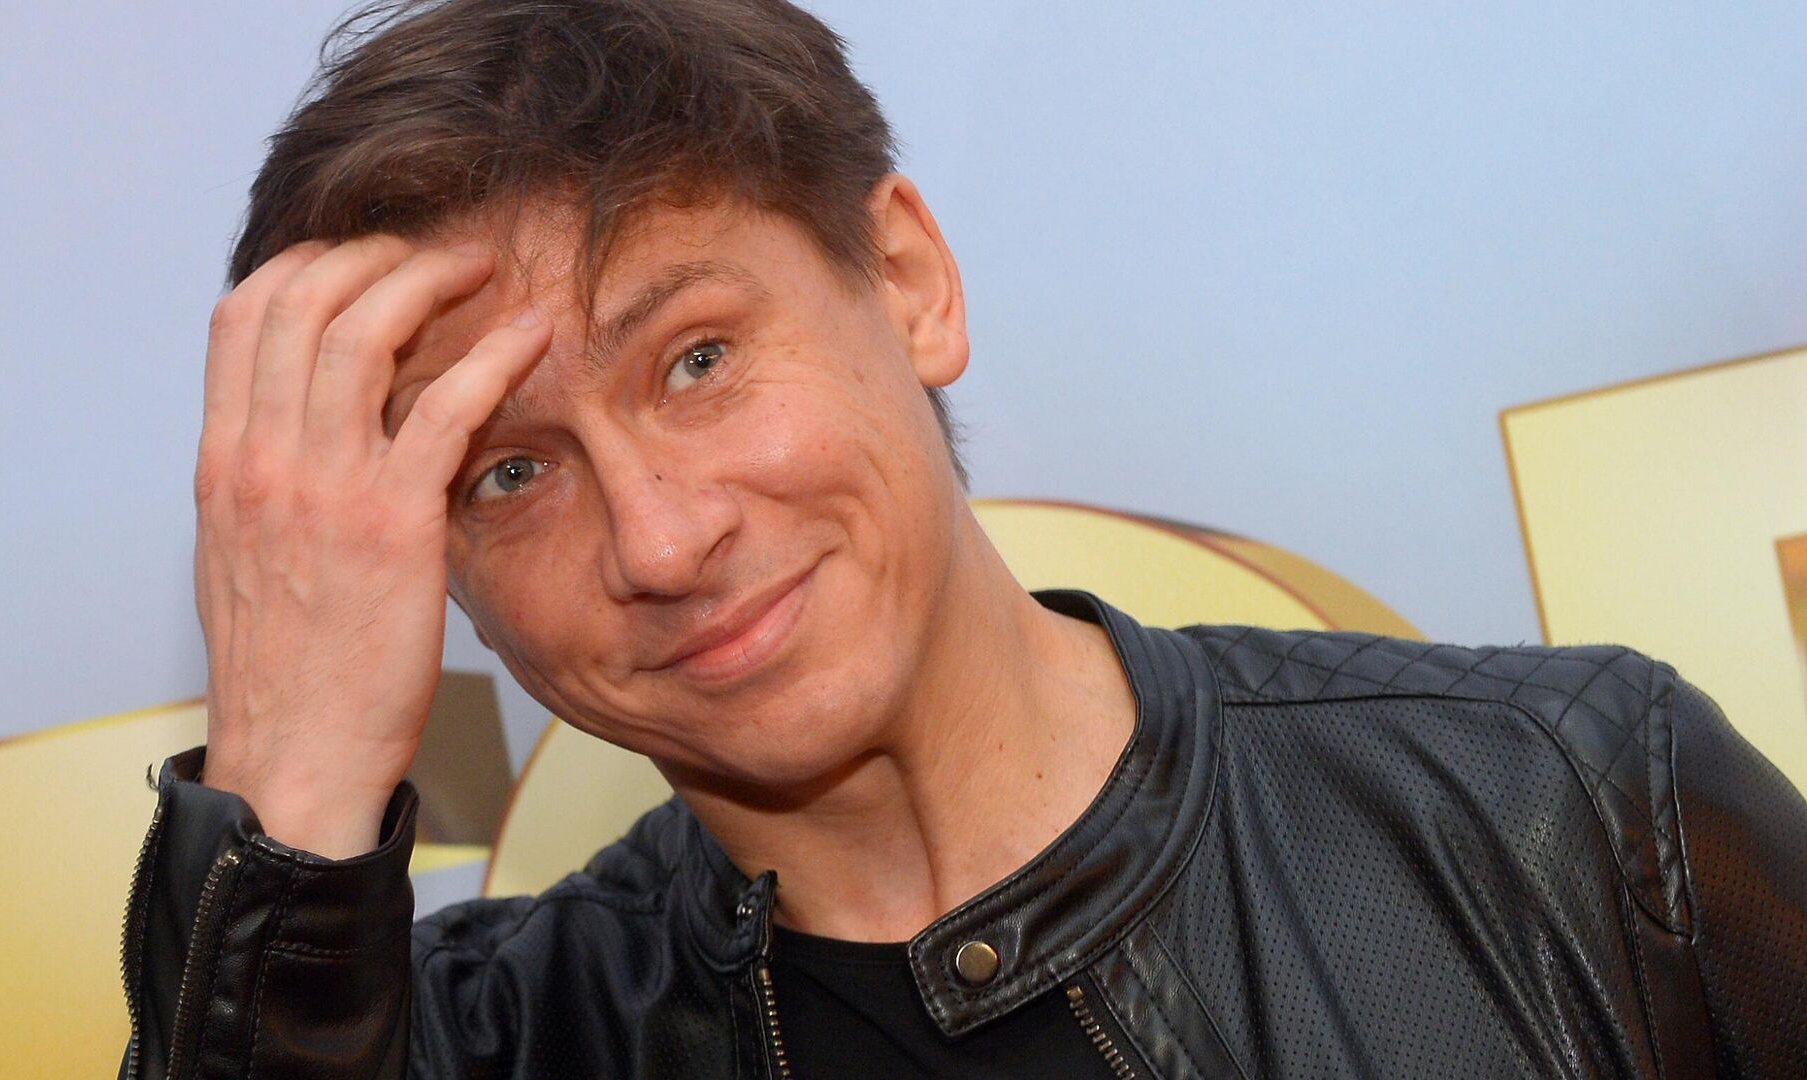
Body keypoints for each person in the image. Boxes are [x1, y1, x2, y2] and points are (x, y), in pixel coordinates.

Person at [119, 1, 1807, 1076]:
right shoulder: (460, 1045)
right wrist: (285, 792)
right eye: (507, 474)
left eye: (696, 361)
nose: (661, 538)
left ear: (910, 281)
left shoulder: (1574, 814)